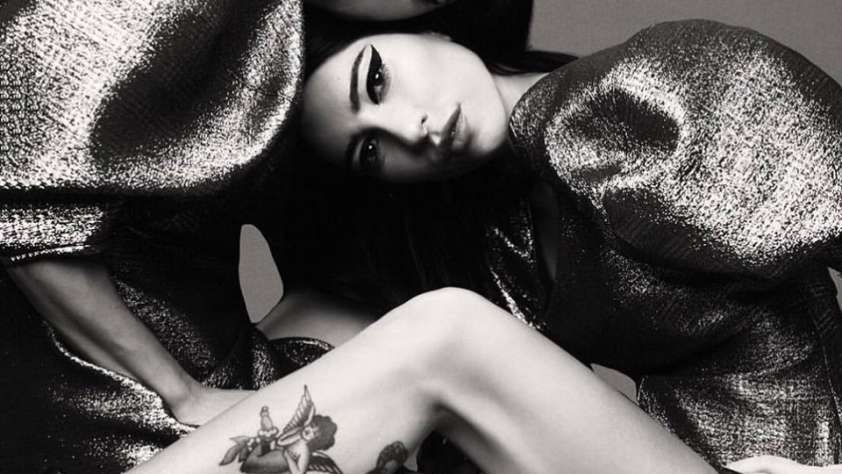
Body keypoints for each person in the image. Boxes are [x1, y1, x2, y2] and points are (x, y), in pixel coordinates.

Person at [0, 1, 524, 472]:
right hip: (117, 400)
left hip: (201, 370)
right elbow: (24, 218)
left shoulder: (297, 67)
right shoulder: (166, 15)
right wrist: (181, 394)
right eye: (376, 81)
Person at [297, 18, 842, 470]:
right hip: (687, 455)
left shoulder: (653, 85)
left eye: (377, 79)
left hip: (810, 447)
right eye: (371, 151)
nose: (411, 129)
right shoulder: (498, 249)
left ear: (432, 31)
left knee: (442, 333)